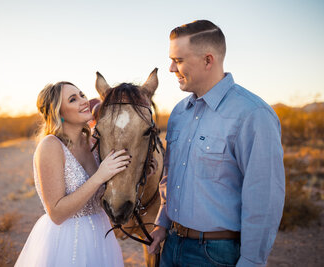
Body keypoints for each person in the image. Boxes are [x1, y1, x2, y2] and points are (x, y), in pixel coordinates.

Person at [148, 20, 285, 266]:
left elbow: (264, 199)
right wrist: (162, 222)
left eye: (178, 60)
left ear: (208, 60)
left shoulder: (253, 115)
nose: (170, 68)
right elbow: (171, 177)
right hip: (171, 246)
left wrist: (252, 261)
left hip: (216, 254)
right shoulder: (179, 113)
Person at [15, 81, 130, 266]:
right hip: (65, 240)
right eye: (73, 99)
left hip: (101, 235)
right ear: (58, 113)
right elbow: (57, 214)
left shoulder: (94, 142)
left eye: (82, 95)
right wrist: (99, 176)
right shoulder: (51, 146)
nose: (84, 101)